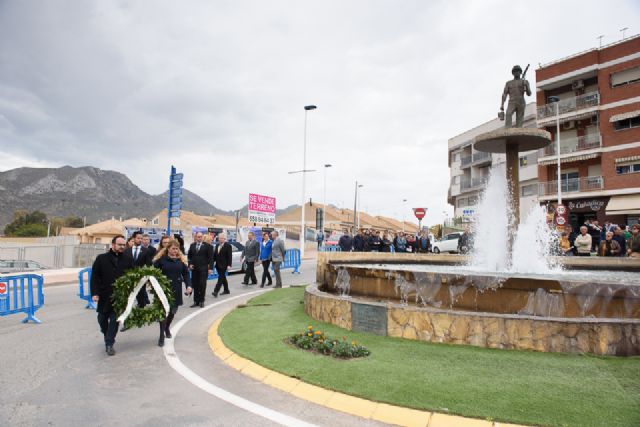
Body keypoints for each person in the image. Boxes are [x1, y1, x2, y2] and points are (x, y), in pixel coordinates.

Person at [90, 235, 131, 356]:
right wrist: (95, 293)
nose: (122, 247)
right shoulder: (101, 258)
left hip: (120, 297)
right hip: (104, 295)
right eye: (120, 245)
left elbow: (133, 276)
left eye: (124, 245)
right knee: (102, 319)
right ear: (113, 245)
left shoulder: (128, 259)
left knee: (114, 320)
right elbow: (95, 278)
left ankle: (109, 344)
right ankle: (107, 334)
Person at [153, 239, 192, 347]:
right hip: (163, 290)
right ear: (168, 249)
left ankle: (166, 327)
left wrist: (188, 286)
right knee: (163, 312)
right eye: (173, 249)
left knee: (172, 312)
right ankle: (161, 335)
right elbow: (153, 273)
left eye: (176, 249)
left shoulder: (181, 261)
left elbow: (186, 274)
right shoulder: (161, 260)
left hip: (176, 289)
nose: (175, 251)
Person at [187, 231, 213, 308]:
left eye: (201, 237)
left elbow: (211, 258)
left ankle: (202, 300)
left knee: (202, 284)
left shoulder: (208, 246)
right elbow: (190, 257)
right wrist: (190, 264)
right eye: (198, 237)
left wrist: (210, 268)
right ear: (196, 237)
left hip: (203, 268)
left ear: (202, 237)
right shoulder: (192, 246)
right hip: (194, 269)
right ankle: (196, 301)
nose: (199, 238)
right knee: (195, 285)